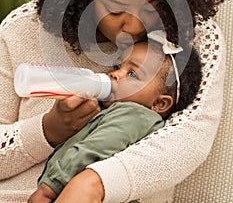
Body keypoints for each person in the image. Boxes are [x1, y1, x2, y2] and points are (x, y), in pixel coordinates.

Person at [0, 0, 229, 203]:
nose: (134, 26)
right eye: (116, 9)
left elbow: (187, 139)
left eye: (151, 5)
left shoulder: (192, 40)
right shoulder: (21, 31)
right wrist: (48, 130)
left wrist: (92, 184)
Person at [28, 36, 202, 203]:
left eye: (132, 74)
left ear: (159, 103)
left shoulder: (134, 116)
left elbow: (94, 148)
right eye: (118, 66)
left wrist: (50, 187)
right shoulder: (122, 113)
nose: (115, 74)